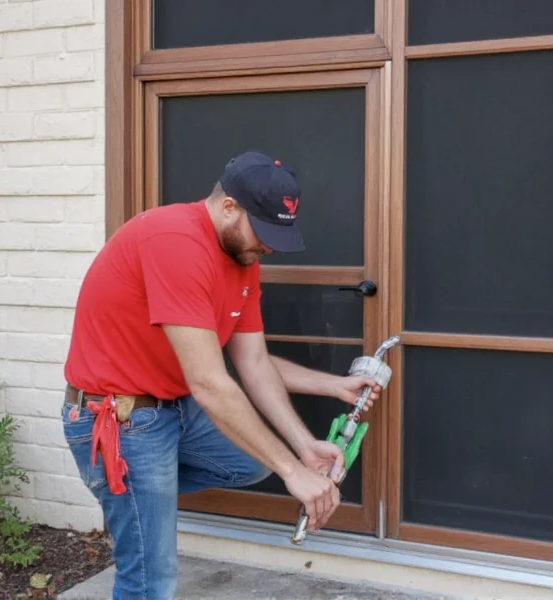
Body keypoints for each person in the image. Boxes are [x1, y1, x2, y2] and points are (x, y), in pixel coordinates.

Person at [61, 151, 381, 600]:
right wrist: (292, 471)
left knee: (247, 463)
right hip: (123, 419)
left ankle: (138, 498)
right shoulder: (173, 241)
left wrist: (305, 445)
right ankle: (135, 497)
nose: (267, 247)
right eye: (264, 232)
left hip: (173, 408)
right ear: (228, 206)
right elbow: (211, 384)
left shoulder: (242, 261)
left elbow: (252, 363)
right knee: (151, 580)